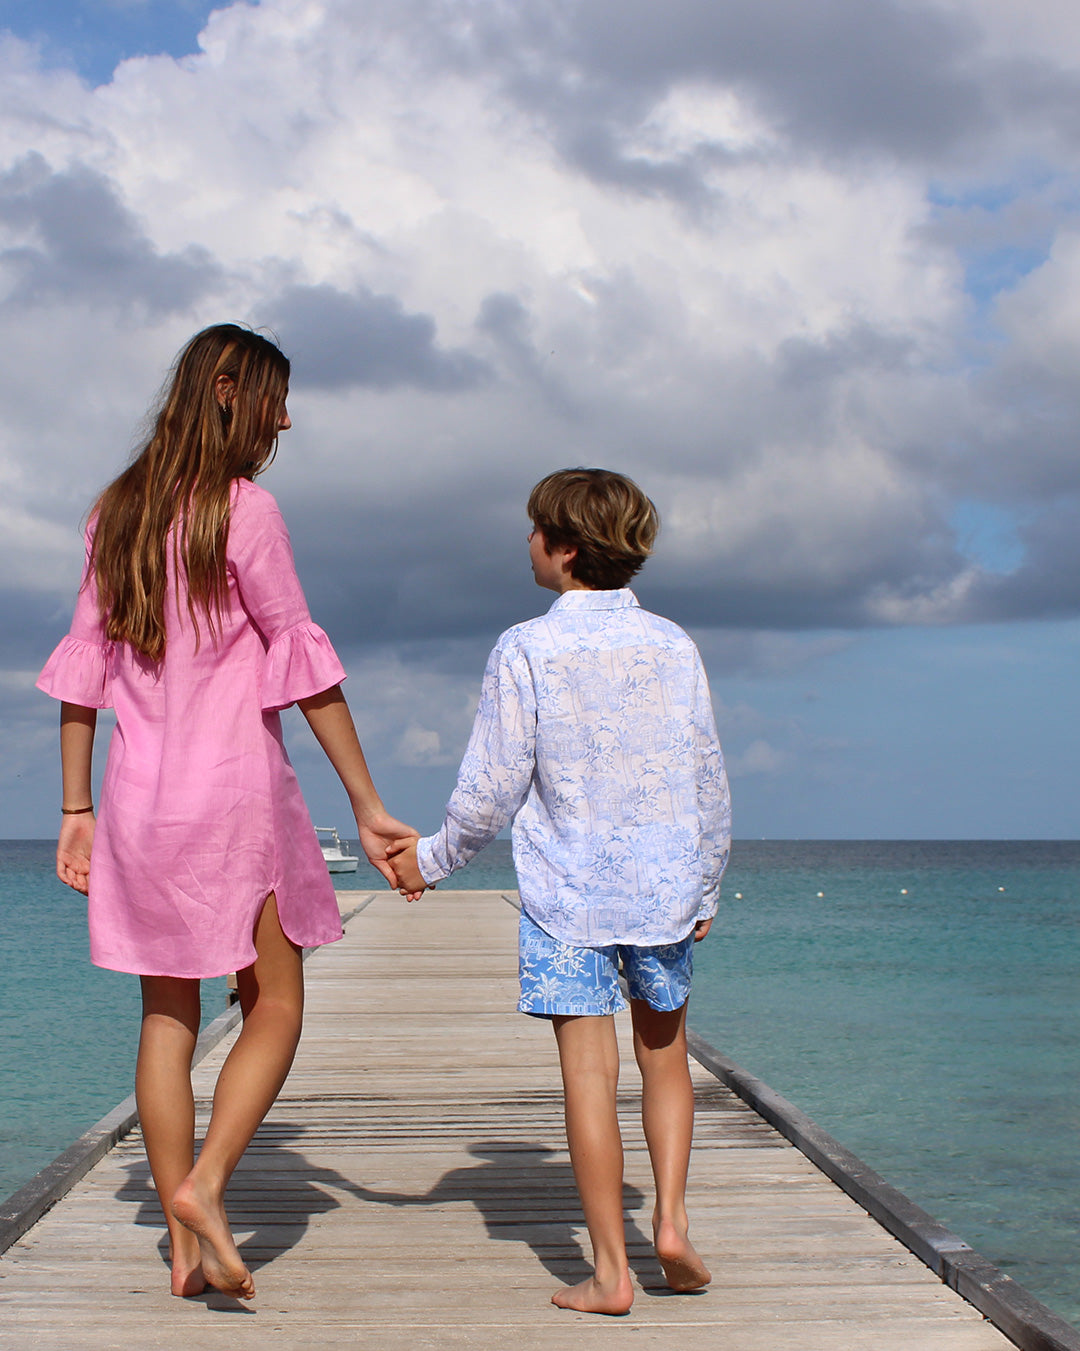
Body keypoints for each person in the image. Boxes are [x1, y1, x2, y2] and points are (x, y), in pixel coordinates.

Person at [37, 324, 417, 1302]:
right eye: (275, 399)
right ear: (226, 390)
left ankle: (181, 1245)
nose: (285, 418)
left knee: (167, 1015)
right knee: (274, 1003)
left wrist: (75, 806)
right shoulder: (245, 513)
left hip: (137, 803)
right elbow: (303, 664)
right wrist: (366, 803)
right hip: (235, 797)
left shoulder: (112, 514)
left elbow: (84, 675)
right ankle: (206, 1188)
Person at [389, 467, 731, 1315]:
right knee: (667, 1059)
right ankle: (676, 1222)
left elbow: (493, 784)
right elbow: (707, 776)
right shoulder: (675, 644)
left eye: (535, 529)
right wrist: (707, 881)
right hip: (663, 888)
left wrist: (431, 860)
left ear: (566, 547)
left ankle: (611, 1271)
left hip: (567, 899)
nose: (528, 542)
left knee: (590, 1071)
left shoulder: (527, 647)